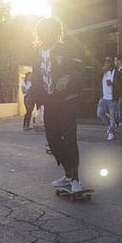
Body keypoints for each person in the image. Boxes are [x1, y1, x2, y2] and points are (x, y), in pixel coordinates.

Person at [30, 17, 84, 193]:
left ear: (56, 32)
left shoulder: (66, 49)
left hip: (68, 98)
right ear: (40, 33)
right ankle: (67, 175)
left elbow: (78, 70)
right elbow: (36, 79)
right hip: (50, 101)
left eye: (51, 30)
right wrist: (33, 95)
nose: (47, 33)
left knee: (69, 137)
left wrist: (67, 77)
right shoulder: (36, 53)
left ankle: (76, 179)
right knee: (52, 139)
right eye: (44, 30)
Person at [96, 57, 118, 141]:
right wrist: (102, 71)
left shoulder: (115, 72)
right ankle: (110, 124)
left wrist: (113, 84)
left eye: (108, 63)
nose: (107, 64)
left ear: (111, 64)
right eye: (105, 63)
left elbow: (120, 86)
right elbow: (95, 77)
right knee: (99, 113)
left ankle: (111, 132)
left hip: (112, 99)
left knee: (112, 116)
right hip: (103, 98)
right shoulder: (102, 73)